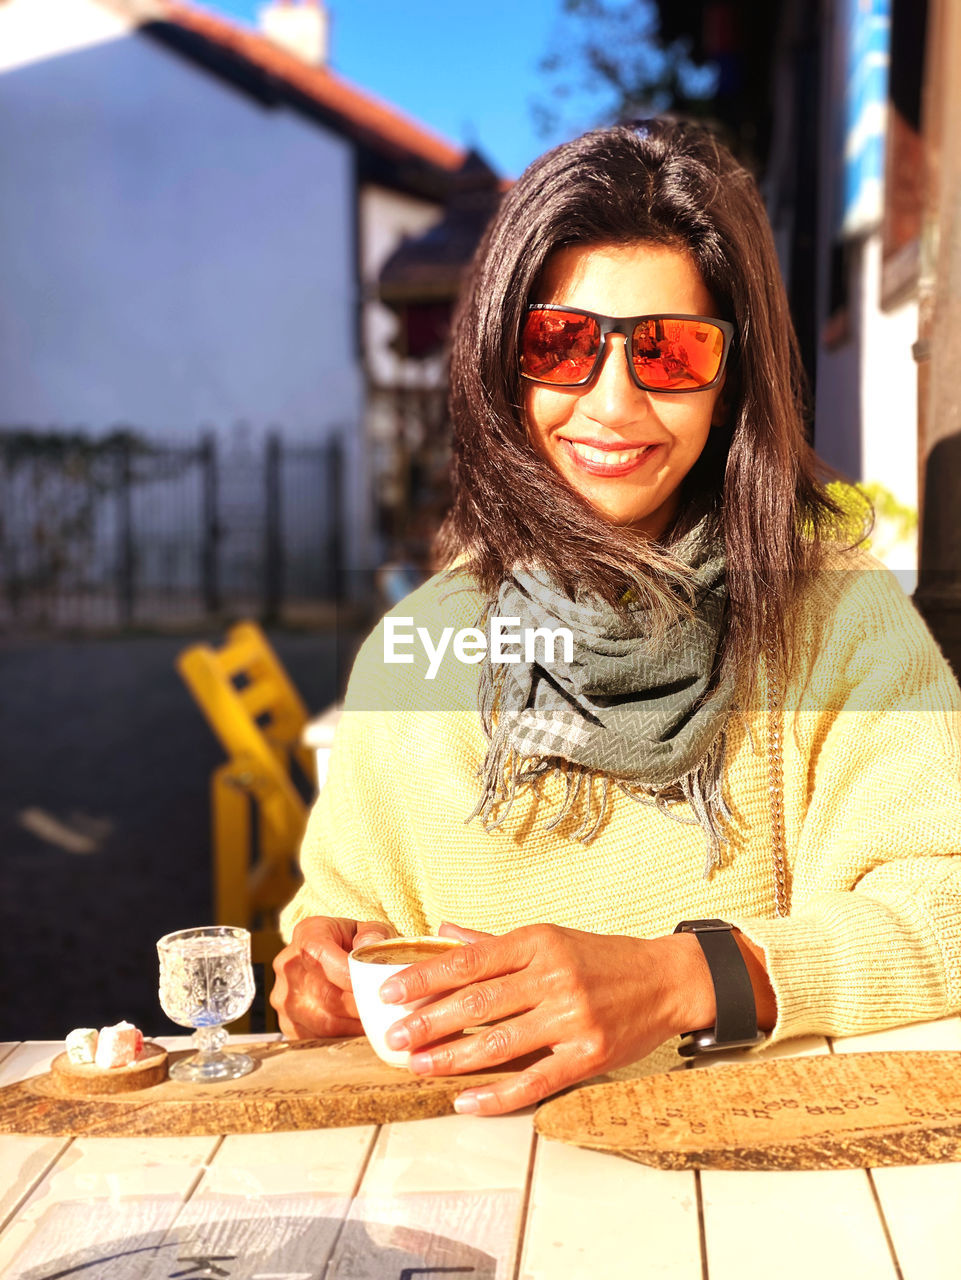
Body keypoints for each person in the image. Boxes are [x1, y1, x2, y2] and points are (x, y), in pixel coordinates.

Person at [271, 119, 961, 1115]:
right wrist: (317, 979)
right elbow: (336, 912)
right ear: (502, 362)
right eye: (560, 342)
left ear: (729, 381)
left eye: (672, 351)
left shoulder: (832, 618)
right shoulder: (413, 658)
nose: (612, 402)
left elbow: (943, 901)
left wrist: (685, 978)